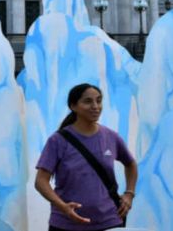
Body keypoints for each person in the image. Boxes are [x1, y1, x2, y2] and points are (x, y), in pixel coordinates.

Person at [35, 83, 138, 231]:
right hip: (66, 224)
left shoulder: (111, 137)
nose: (95, 106)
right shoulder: (58, 140)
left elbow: (131, 164)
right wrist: (62, 206)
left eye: (99, 100)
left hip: (109, 221)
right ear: (73, 106)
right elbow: (40, 181)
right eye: (88, 101)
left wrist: (129, 194)